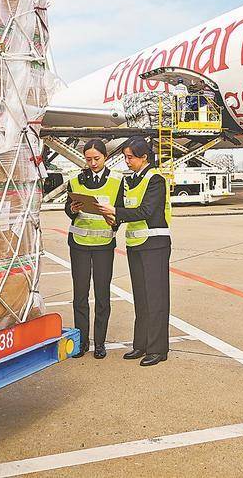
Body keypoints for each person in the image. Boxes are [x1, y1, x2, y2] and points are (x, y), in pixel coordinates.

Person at [98, 136, 171, 367]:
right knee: (141, 297)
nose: (127, 161)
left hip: (155, 245)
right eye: (125, 157)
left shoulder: (155, 179)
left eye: (130, 157)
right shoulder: (131, 180)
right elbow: (125, 209)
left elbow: (146, 211)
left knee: (156, 298)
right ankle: (141, 344)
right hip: (136, 244)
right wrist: (111, 219)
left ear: (144, 157)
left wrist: (116, 212)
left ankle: (158, 349)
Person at [64, 139, 121, 359]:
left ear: (105, 157)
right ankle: (82, 342)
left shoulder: (117, 180)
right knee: (80, 295)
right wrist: (72, 209)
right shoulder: (75, 181)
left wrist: (114, 221)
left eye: (96, 158)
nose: (93, 163)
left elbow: (121, 211)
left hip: (104, 245)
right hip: (79, 244)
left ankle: (100, 343)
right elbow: (68, 210)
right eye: (88, 159)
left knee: (102, 295)